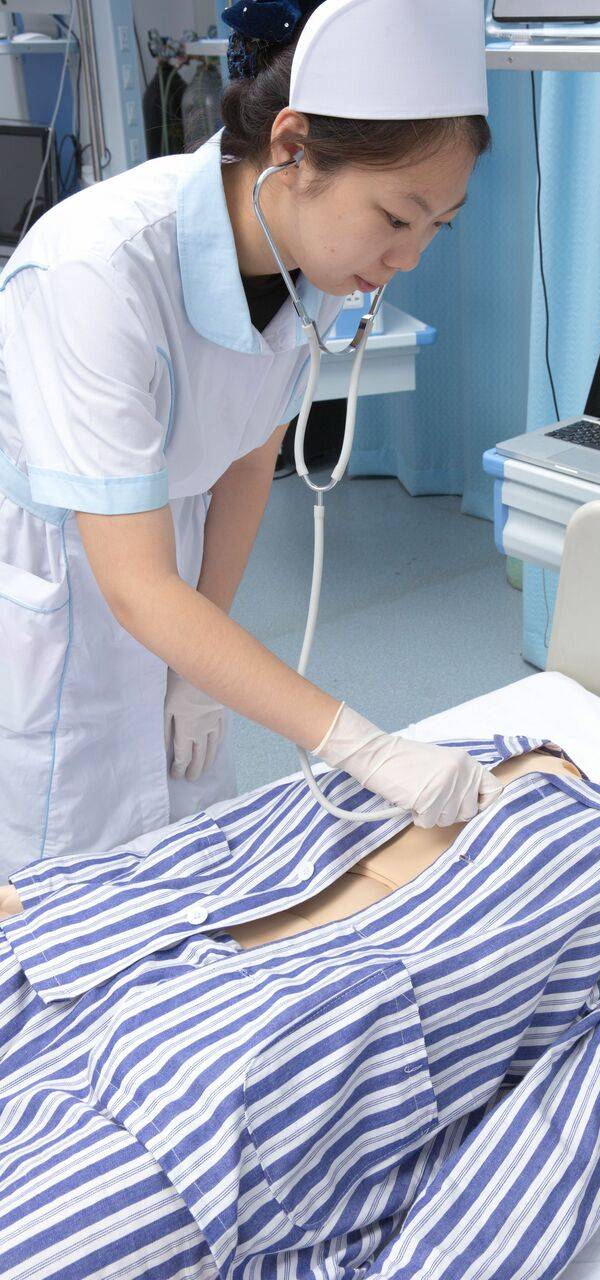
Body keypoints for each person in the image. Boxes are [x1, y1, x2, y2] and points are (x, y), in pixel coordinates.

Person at [0, 681, 600, 1278]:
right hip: (95, 964)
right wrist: (60, 894)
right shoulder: (499, 750)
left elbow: (580, 1114)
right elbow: (254, 833)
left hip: (235, 1090)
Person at [0, 0, 499, 877]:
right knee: (59, 885)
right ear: (292, 145)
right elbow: (136, 586)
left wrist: (201, 652)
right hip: (61, 576)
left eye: (436, 227)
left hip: (170, 562)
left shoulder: (315, 259)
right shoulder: (96, 271)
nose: (409, 257)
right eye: (396, 217)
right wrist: (367, 749)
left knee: (189, 853)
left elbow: (243, 455)